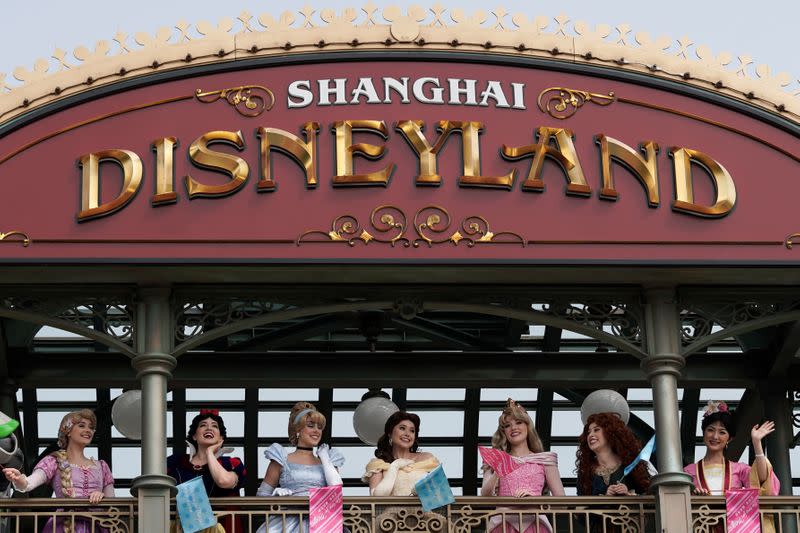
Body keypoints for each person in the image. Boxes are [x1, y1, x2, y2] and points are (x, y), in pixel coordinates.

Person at [2, 409, 114, 533]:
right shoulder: (53, 461)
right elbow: (28, 484)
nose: (88, 430)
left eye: (91, 428)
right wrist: (19, 479)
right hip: (62, 527)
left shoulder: (102, 466)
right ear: (68, 431)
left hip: (97, 526)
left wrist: (102, 497)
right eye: (82, 426)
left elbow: (113, 506)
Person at [256, 402, 343, 533]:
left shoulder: (329, 460)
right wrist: (275, 496)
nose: (316, 431)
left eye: (319, 427)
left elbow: (336, 488)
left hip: (322, 524)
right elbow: (261, 497)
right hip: (286, 524)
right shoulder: (281, 458)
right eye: (310, 425)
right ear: (298, 430)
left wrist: (325, 458)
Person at [480, 399, 565, 533]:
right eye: (507, 425)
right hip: (502, 525)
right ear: (504, 432)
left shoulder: (544, 460)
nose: (513, 428)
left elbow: (562, 504)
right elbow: (485, 495)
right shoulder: (496, 459)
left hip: (535, 525)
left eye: (518, 422)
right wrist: (499, 469)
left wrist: (535, 500)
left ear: (527, 426)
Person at [167, 409, 246, 533]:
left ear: (221, 438)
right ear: (194, 435)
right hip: (178, 528)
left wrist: (209, 452)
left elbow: (223, 481)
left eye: (214, 426)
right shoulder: (175, 463)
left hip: (216, 529)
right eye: (203, 425)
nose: (209, 428)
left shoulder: (231, 463)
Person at [684, 400, 779, 496]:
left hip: (732, 511)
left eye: (722, 432)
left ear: (729, 439)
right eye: (710, 430)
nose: (715, 436)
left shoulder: (739, 469)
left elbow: (762, 479)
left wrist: (756, 442)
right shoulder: (688, 471)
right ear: (703, 433)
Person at [362, 411, 439, 496]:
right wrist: (395, 466)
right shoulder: (378, 464)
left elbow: (440, 494)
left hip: (423, 509)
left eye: (412, 431)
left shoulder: (427, 459)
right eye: (402, 428)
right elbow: (377, 498)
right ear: (390, 433)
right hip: (392, 509)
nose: (407, 434)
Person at [575, 412, 650, 496]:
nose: (591, 435)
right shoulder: (585, 472)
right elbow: (580, 505)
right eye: (588, 432)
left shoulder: (632, 464)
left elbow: (651, 497)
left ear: (609, 432)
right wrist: (605, 497)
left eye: (596, 430)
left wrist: (629, 494)